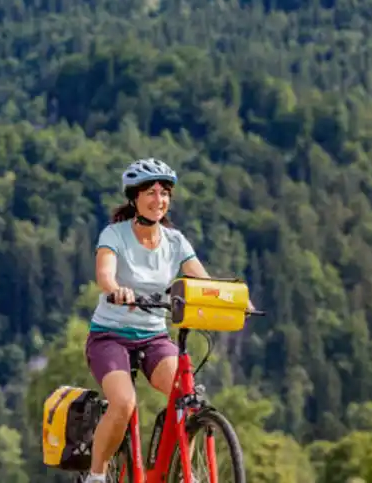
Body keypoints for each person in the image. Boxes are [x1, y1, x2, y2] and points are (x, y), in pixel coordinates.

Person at [82, 157, 252, 483]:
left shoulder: (175, 241)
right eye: (150, 192)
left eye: (164, 193)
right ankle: (97, 475)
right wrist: (116, 289)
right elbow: (105, 273)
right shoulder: (114, 235)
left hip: (154, 337)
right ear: (134, 198)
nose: (158, 199)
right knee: (124, 402)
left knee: (188, 398)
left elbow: (203, 280)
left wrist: (236, 299)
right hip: (110, 336)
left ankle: (181, 471)